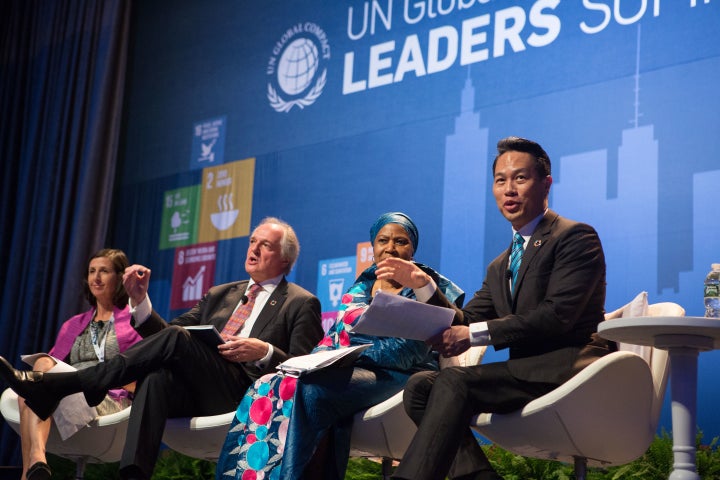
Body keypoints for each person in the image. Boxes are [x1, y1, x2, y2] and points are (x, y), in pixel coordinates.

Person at [0, 217, 323, 480]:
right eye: (252, 241)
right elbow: (167, 335)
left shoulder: (300, 302)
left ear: (284, 259)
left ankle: (73, 384)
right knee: (157, 375)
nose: (253, 249)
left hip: (248, 394)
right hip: (200, 390)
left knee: (179, 340)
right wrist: (139, 302)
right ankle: (133, 474)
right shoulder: (221, 293)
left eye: (264, 245)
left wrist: (264, 351)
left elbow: (304, 366)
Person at [375, 137, 612, 480]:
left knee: (454, 381)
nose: (509, 190)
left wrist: (471, 335)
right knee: (420, 387)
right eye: (500, 180)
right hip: (525, 373)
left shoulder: (574, 237)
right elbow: (466, 319)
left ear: (546, 183)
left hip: (571, 367)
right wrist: (421, 284)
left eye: (520, 178)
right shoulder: (501, 265)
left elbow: (557, 315)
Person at [215, 212, 464, 480]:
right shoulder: (360, 287)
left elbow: (410, 351)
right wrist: (308, 362)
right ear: (373, 247)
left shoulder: (424, 287)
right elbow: (333, 338)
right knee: (269, 382)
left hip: (404, 375)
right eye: (383, 240)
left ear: (413, 249)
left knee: (313, 392)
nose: (390, 248)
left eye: (401, 241)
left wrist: (352, 354)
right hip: (353, 368)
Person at [11, 248, 143, 480]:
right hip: (72, 394)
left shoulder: (135, 322)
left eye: (104, 271)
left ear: (120, 278)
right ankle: (36, 462)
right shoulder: (73, 324)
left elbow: (141, 374)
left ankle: (30, 469)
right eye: (92, 271)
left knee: (33, 384)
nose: (96, 277)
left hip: (108, 398)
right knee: (31, 387)